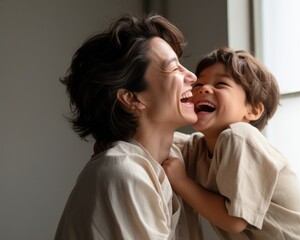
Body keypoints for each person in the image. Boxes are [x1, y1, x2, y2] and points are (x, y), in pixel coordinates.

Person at [55, 13, 204, 240]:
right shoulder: (123, 172)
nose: (192, 76)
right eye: (174, 69)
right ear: (132, 98)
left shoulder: (169, 160)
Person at [162, 48, 300, 239]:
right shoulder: (200, 148)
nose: (203, 88)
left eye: (220, 84)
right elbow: (161, 140)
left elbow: (235, 221)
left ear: (252, 110)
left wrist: (182, 182)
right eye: (199, 83)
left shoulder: (239, 137)